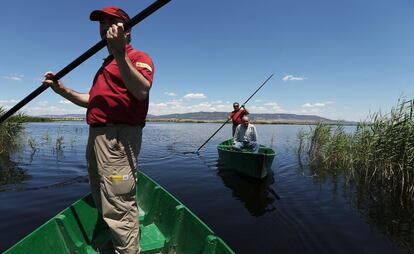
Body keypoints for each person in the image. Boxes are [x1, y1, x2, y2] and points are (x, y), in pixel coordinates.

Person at [42, 6, 154, 254]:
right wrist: (62, 90)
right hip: (97, 136)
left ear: (127, 30)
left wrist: (120, 53)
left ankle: (127, 250)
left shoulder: (138, 57)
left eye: (112, 22)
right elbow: (91, 99)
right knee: (101, 193)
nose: (105, 26)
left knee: (118, 201)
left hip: (118, 137)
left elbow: (141, 90)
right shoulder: (106, 64)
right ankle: (116, 241)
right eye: (102, 23)